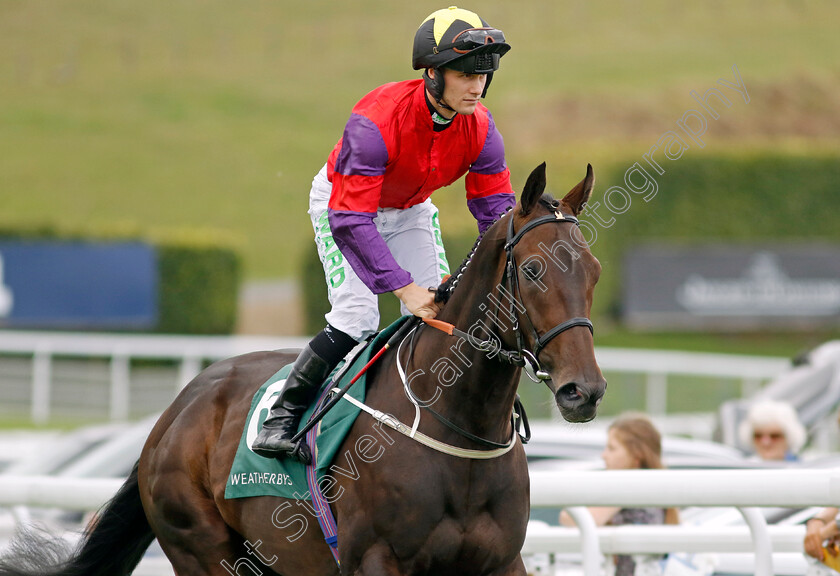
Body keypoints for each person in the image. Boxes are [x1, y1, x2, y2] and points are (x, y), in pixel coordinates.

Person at [252, 7, 515, 462]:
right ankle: (283, 415)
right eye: (466, 74)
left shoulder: (483, 129)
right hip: (346, 206)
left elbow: (496, 212)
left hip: (411, 209)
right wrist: (403, 287)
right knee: (357, 319)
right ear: (433, 73)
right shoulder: (374, 122)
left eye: (484, 74)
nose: (477, 86)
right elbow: (351, 221)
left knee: (441, 313)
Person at [560, 413, 680, 576]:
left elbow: (579, 519)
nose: (604, 455)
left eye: (612, 448)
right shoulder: (655, 487)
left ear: (636, 455)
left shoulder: (630, 486)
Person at [737, 399, 807, 461]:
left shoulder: (804, 469)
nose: (765, 442)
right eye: (758, 436)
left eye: (774, 436)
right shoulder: (743, 470)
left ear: (789, 438)